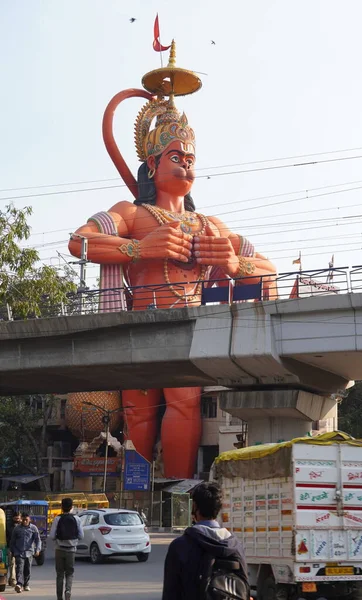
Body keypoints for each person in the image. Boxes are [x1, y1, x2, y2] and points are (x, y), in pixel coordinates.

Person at [68, 42, 277, 480]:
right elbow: (80, 243)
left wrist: (235, 265)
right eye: (175, 157)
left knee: (183, 405)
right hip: (140, 328)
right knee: (140, 416)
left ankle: (178, 496)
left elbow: (269, 269)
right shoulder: (131, 214)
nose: (184, 165)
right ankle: (139, 500)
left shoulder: (209, 224)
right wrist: (139, 248)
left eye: (190, 159)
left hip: (188, 328)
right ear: (151, 163)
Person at [162, 482, 249, 599]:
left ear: (194, 507)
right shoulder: (235, 546)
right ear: (218, 508)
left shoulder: (180, 546)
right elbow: (245, 587)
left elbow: (170, 593)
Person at [50, 497, 84, 600]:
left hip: (59, 549)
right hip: (71, 550)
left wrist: (58, 538)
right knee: (69, 573)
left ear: (61, 507)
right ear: (71, 507)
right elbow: (81, 535)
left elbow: (52, 535)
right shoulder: (77, 519)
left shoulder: (57, 518)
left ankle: (59, 597)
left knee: (59, 574)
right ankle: (68, 590)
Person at [9, 512, 41, 593]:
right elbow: (12, 541)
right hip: (19, 552)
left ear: (29, 519)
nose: (24, 522)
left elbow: (38, 540)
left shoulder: (33, 528)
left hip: (29, 552)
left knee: (27, 569)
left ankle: (26, 584)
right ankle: (19, 584)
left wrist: (37, 550)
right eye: (23, 520)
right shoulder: (17, 529)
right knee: (19, 568)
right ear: (21, 519)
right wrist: (12, 551)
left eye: (26, 520)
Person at [6, 511, 21, 587]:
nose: (17, 519)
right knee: (12, 563)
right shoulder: (8, 525)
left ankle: (11, 580)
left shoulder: (22, 525)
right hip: (10, 547)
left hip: (20, 548)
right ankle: (13, 580)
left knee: (18, 565)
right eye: (16, 518)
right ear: (13, 518)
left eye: (18, 518)